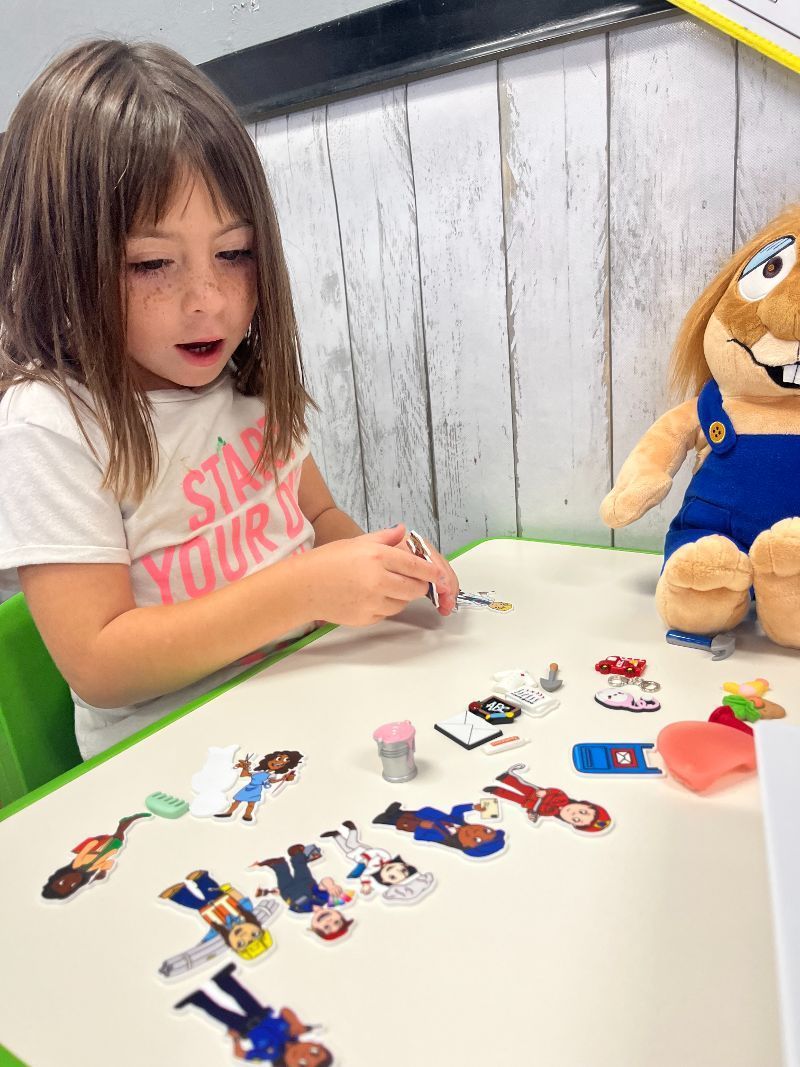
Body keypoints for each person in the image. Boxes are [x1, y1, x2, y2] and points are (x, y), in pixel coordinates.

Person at [0, 39, 459, 759]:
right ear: (60, 264)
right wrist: (303, 591)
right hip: (174, 766)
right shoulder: (52, 424)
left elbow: (319, 516)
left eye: (235, 251)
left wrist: (387, 567)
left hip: (305, 708)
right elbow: (101, 661)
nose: (208, 299)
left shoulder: (242, 380)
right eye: (152, 264)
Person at [176, 962, 334, 1064]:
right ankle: (224, 980)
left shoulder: (268, 1055)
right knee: (241, 994)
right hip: (260, 1014)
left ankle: (198, 999)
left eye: (303, 1065)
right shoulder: (294, 1031)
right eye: (314, 1052)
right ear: (317, 1044)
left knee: (219, 1012)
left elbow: (241, 1055)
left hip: (243, 1027)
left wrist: (235, 1039)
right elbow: (285, 1010)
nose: (303, 1055)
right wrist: (296, 1023)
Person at [483, 764, 611, 832]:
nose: (573, 813)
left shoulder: (551, 813)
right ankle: (505, 778)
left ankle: (495, 791)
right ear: (585, 804)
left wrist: (532, 814)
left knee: (511, 797)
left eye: (576, 819)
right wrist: (546, 794)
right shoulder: (563, 798)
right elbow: (555, 792)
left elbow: (539, 812)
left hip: (527, 803)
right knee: (520, 785)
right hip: (535, 793)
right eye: (582, 811)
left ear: (571, 823)